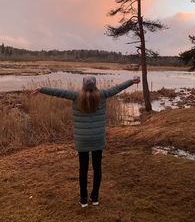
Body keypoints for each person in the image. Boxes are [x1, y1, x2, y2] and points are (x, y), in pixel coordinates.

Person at [30, 75, 140, 207]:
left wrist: (41, 89)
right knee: (97, 167)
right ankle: (95, 198)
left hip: (82, 138)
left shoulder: (76, 95)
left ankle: (83, 199)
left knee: (83, 168)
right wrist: (131, 81)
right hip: (98, 137)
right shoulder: (102, 94)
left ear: (83, 85)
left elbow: (58, 92)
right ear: (95, 85)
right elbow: (117, 88)